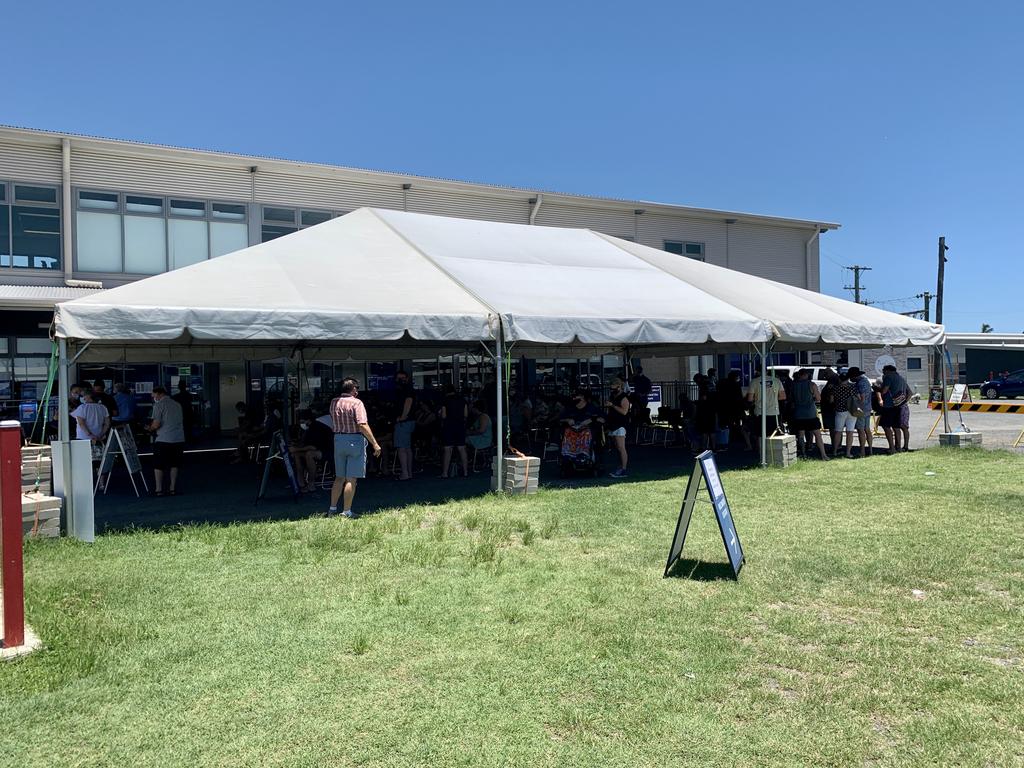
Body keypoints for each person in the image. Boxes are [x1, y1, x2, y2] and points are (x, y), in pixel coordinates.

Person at [328, 378, 382, 518]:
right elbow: (362, 424)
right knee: (351, 479)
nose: (357, 390)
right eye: (356, 388)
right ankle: (346, 511)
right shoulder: (357, 403)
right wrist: (374, 443)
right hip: (354, 439)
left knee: (339, 477)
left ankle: (332, 509)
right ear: (353, 389)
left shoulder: (334, 402)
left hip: (338, 439)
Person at [147, 386, 185, 496]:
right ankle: (172, 488)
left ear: (159, 394)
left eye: (153, 394)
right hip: (178, 438)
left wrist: (149, 429)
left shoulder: (159, 405)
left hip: (164, 439)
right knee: (174, 464)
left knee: (158, 465)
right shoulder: (177, 405)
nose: (152, 397)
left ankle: (158, 489)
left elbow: (156, 424)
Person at [289, 409, 334, 492]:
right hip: (319, 450)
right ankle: (300, 482)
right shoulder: (309, 428)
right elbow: (306, 444)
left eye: (302, 421)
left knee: (309, 454)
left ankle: (311, 484)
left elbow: (313, 447)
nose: (301, 424)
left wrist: (296, 448)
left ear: (308, 420)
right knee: (297, 454)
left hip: (328, 451)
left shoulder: (317, 428)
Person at [791, 369, 829, 460]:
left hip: (799, 413)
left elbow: (791, 399)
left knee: (801, 435)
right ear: (805, 375)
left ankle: (803, 453)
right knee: (817, 435)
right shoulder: (812, 385)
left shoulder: (793, 385)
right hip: (810, 413)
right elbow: (818, 398)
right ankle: (823, 454)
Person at [880, 364, 912, 454]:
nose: (883, 372)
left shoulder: (888, 377)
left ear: (887, 370)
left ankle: (892, 448)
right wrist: (903, 401)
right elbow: (910, 393)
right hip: (900, 406)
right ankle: (900, 447)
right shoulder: (901, 379)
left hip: (889, 405)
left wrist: (878, 390)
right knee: (897, 427)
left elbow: (884, 390)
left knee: (886, 426)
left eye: (883, 370)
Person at [746, 367, 786, 437]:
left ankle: (761, 447)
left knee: (760, 434)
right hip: (774, 412)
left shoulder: (754, 381)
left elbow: (750, 399)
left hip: (759, 412)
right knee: (773, 435)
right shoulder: (776, 381)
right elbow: (783, 397)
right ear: (767, 371)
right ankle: (770, 448)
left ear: (757, 372)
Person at [718, 370, 752, 452]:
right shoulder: (736, 385)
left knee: (728, 424)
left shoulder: (723, 384)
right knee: (742, 423)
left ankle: (728, 441)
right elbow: (739, 397)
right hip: (736, 407)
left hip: (726, 407)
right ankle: (741, 439)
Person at [439, 384, 469, 478]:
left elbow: (443, 415)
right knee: (462, 448)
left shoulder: (445, 401)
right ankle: (465, 472)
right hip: (460, 425)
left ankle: (445, 473)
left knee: (448, 449)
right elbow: (466, 414)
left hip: (449, 426)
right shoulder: (462, 400)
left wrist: (439, 415)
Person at [392, 371, 416, 481]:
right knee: (407, 448)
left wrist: (403, 416)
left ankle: (405, 473)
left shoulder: (406, 390)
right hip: (409, 422)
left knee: (402, 448)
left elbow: (408, 401)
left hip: (404, 422)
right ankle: (409, 472)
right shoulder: (407, 389)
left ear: (407, 378)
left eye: (402, 378)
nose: (400, 380)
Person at [605, 378, 630, 477]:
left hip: (620, 425)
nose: (612, 390)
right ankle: (620, 467)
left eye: (613, 388)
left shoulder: (624, 398)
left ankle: (624, 469)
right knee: (617, 448)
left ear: (619, 387)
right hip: (613, 424)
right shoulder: (613, 396)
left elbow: (624, 412)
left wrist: (613, 405)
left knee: (621, 447)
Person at [847, 367, 873, 457]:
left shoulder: (860, 383)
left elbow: (862, 398)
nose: (850, 379)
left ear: (854, 376)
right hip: (868, 408)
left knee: (860, 430)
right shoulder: (866, 381)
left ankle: (862, 451)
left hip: (860, 409)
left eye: (851, 377)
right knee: (867, 429)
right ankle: (870, 449)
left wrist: (854, 397)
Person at [831, 372, 857, 458]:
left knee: (838, 432)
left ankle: (834, 451)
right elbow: (859, 397)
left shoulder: (835, 388)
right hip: (852, 411)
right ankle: (848, 453)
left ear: (839, 379)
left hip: (840, 410)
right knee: (850, 432)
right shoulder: (853, 387)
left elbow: (831, 400)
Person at [818, 368, 840, 451]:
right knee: (834, 429)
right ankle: (836, 445)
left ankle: (836, 446)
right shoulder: (834, 379)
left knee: (833, 429)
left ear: (829, 373)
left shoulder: (833, 380)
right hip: (831, 408)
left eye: (825, 374)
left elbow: (831, 396)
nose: (824, 377)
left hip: (831, 408)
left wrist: (830, 401)